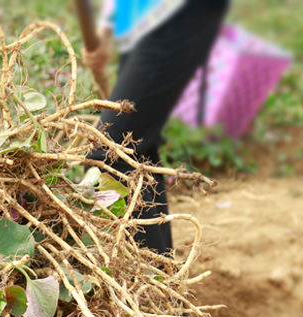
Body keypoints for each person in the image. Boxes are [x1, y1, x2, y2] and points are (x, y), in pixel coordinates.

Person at [84, 0, 229, 255]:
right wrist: (108, 26)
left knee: (108, 155)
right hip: (141, 19)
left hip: (173, 15)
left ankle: (149, 287)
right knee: (136, 153)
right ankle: (162, 281)